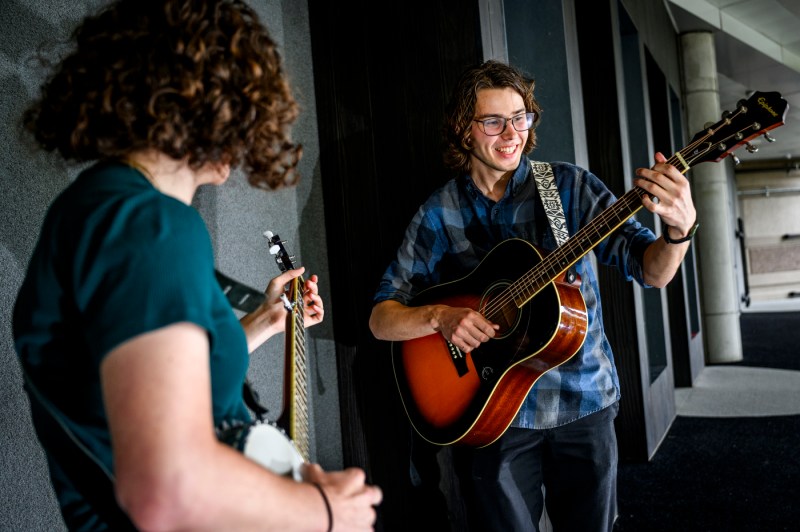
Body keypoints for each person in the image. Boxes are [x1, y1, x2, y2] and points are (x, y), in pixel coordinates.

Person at [13, 1, 382, 530]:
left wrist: (263, 322)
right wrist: (326, 511)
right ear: (193, 99)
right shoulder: (148, 223)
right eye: (240, 104)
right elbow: (166, 489)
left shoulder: (101, 209)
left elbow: (167, 383)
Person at [368, 59, 696, 531]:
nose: (511, 133)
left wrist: (679, 232)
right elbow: (383, 317)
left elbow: (651, 270)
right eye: (493, 121)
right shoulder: (440, 211)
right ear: (463, 129)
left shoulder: (568, 187)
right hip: (491, 411)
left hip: (583, 400)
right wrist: (440, 317)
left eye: (520, 117)